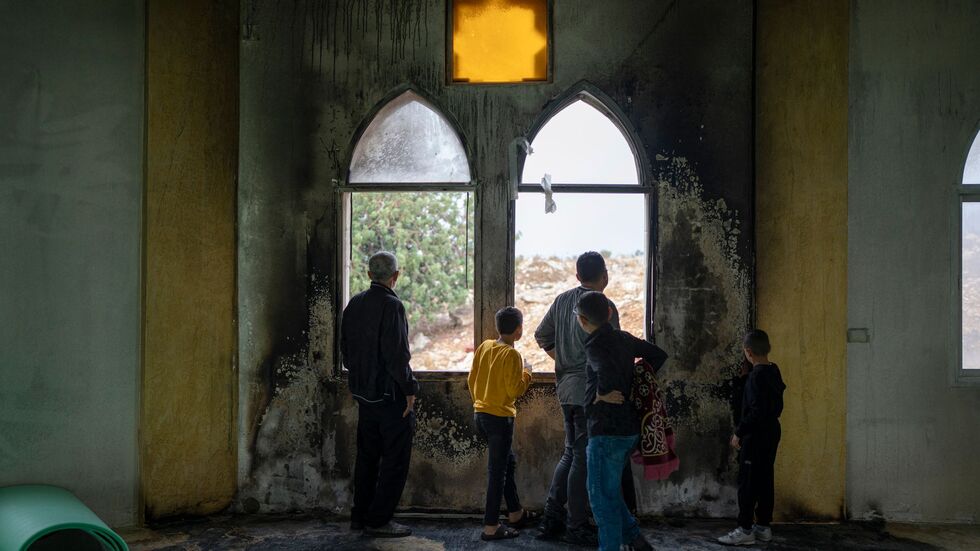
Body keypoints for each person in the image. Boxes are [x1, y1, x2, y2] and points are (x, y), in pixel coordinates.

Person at [535, 251, 633, 544]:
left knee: (571, 453)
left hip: (566, 389)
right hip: (590, 393)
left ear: (577, 276)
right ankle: (576, 526)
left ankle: (551, 519)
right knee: (582, 459)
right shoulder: (604, 306)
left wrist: (563, 362)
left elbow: (542, 335)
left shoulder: (562, 300)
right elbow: (612, 352)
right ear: (605, 274)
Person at [576, 291, 666, 551]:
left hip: (605, 431)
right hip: (628, 429)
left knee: (601, 502)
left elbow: (602, 367)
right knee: (610, 491)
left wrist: (602, 392)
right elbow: (658, 355)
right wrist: (636, 378)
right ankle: (636, 540)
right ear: (609, 313)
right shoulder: (624, 338)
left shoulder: (593, 344)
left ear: (582, 321)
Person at [341, 251, 419, 538]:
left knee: (367, 457)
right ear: (395, 276)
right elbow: (397, 356)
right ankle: (379, 520)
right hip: (390, 399)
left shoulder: (355, 304)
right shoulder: (392, 306)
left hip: (364, 397)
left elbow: (346, 354)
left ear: (369, 274)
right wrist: (409, 390)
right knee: (395, 461)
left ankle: (359, 516)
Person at [467, 307, 540, 541]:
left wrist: (482, 401)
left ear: (498, 327)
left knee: (507, 463)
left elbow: (471, 379)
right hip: (500, 419)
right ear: (518, 331)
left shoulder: (485, 347)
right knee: (497, 472)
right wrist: (527, 373)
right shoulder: (512, 355)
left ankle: (516, 513)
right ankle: (490, 526)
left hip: (481, 414)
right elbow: (515, 390)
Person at [718, 330, 786, 546]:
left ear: (748, 352)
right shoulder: (773, 371)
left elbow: (755, 411)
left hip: (756, 434)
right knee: (765, 479)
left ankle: (745, 529)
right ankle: (763, 526)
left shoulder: (756, 377)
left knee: (748, 483)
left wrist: (739, 432)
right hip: (772, 431)